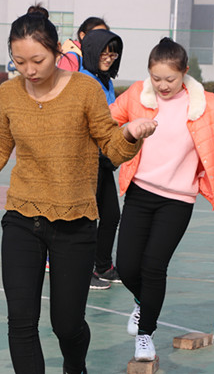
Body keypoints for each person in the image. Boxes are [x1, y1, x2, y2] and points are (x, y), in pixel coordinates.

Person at [0, 6, 156, 374]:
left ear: (57, 53)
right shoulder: (9, 94)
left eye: (37, 60)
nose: (29, 69)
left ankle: (75, 367)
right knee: (21, 322)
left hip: (75, 223)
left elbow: (110, 145)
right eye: (19, 61)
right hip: (22, 220)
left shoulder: (85, 90)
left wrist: (130, 133)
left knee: (67, 325)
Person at [109, 38, 214, 362]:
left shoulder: (205, 105)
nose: (162, 85)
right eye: (156, 78)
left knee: (153, 266)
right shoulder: (137, 94)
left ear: (184, 73)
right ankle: (142, 302)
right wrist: (126, 130)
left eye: (170, 79)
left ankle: (145, 334)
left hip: (177, 200)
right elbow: (104, 122)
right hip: (139, 192)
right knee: (128, 265)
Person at [79, 29, 124, 290]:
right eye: (104, 52)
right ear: (92, 52)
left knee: (110, 215)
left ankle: (103, 265)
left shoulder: (105, 81)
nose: (108, 57)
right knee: (87, 219)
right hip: (86, 160)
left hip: (103, 159)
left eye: (113, 52)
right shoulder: (83, 80)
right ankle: (85, 271)